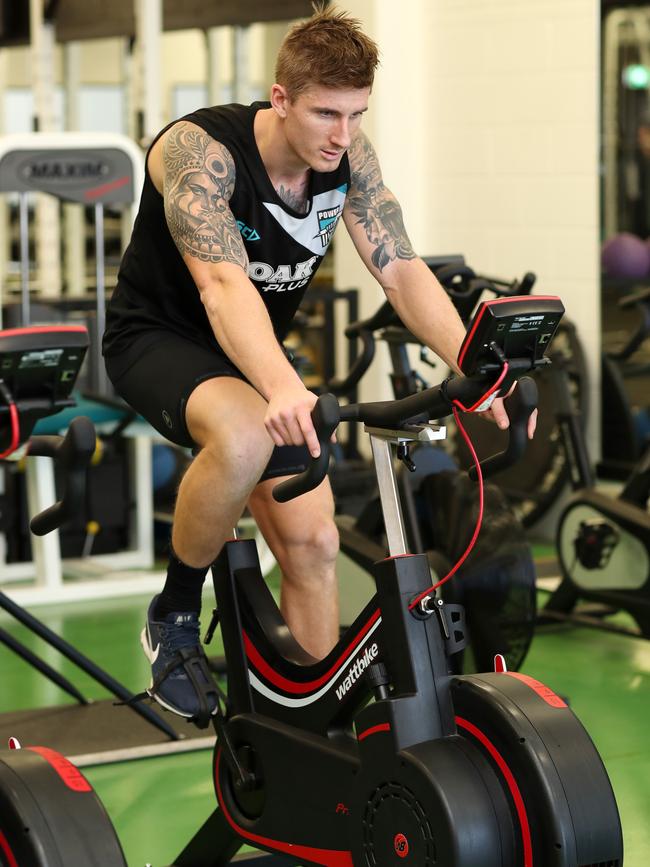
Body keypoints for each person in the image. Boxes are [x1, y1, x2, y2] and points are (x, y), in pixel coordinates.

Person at [103, 3, 535, 722]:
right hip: (160, 341)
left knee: (315, 541)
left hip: (254, 357)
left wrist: (475, 363)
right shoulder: (196, 152)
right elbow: (220, 284)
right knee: (246, 434)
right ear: (281, 99)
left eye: (357, 114)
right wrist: (280, 386)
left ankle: (309, 732)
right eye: (327, 114)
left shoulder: (347, 160)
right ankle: (174, 613)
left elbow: (399, 268)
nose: (343, 135)